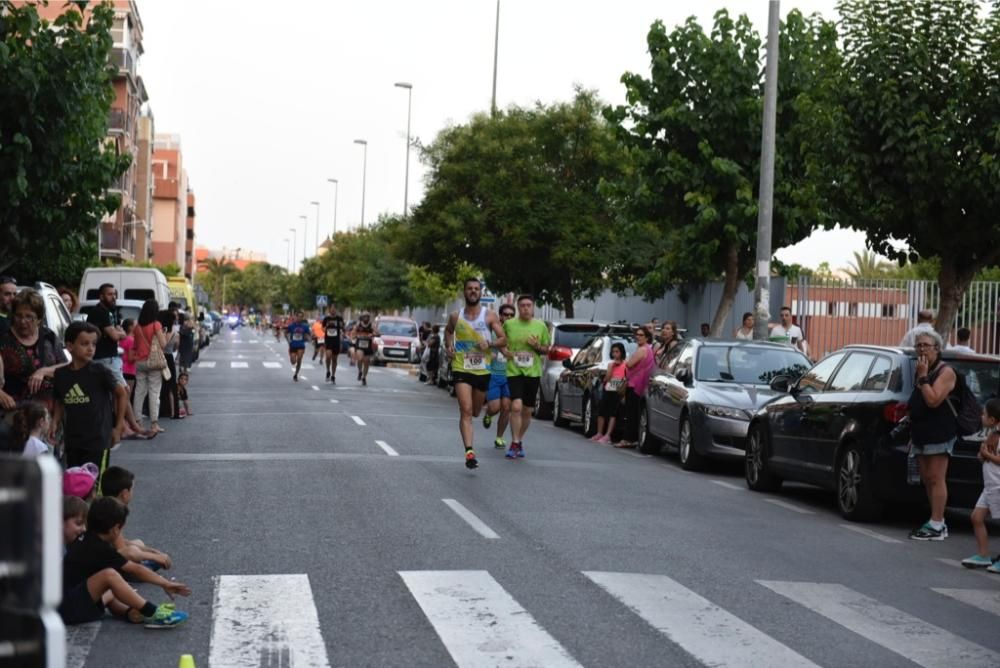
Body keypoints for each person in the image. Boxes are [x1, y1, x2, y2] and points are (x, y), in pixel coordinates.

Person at [61, 496, 190, 628]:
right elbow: (136, 569)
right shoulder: (99, 548)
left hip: (68, 603)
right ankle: (152, 613)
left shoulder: (87, 539)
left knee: (112, 588)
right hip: (68, 609)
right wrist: (165, 583)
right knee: (109, 576)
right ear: (116, 529)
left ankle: (130, 613)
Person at [445, 278, 507, 468]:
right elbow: (448, 332)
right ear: (464, 292)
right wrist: (449, 346)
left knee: (476, 411)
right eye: (469, 289)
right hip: (461, 366)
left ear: (480, 292)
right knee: (466, 409)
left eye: (476, 289)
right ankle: (469, 452)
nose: (473, 291)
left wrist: (490, 343)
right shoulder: (456, 316)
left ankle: (484, 415)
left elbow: (504, 339)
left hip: (482, 369)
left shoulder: (490, 316)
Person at [52, 322, 128, 473]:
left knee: (95, 487)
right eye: (84, 344)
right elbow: (60, 401)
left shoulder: (99, 371)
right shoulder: (61, 374)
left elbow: (122, 394)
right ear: (70, 346)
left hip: (98, 440)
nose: (90, 348)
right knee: (75, 484)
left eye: (93, 344)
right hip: (73, 440)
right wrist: (54, 423)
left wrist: (118, 427)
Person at [907, 329, 957, 540]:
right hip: (921, 431)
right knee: (927, 478)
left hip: (939, 431)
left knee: (937, 477)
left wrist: (923, 377)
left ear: (937, 348)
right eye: (918, 345)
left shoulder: (945, 372)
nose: (921, 349)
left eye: (926, 345)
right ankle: (934, 520)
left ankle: (938, 523)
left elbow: (933, 399)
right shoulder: (921, 367)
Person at [87, 285, 152, 440]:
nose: (113, 297)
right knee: (122, 392)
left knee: (121, 393)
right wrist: (118, 333)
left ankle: (129, 426)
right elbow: (116, 336)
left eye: (115, 294)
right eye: (109, 294)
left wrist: (118, 332)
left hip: (112, 357)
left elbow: (119, 332)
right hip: (104, 358)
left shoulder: (111, 312)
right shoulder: (99, 312)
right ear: (101, 296)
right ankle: (124, 427)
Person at [501, 294, 549, 459]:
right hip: (514, 370)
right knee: (516, 406)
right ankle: (514, 442)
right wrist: (504, 351)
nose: (526, 308)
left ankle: (519, 440)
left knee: (528, 410)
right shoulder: (509, 324)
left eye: (529, 305)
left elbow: (546, 349)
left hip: (532, 371)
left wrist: (537, 346)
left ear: (533, 307)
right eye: (522, 305)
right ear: (518, 307)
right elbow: (502, 342)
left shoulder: (540, 326)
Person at [101, 466, 173, 571]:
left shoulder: (104, 505)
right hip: (105, 562)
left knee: (138, 543)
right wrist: (154, 556)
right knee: (137, 553)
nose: (133, 493)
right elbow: (125, 551)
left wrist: (154, 552)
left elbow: (120, 541)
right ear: (124, 494)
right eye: (132, 490)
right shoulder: (114, 513)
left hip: (106, 553)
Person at [961, 399, 1000, 571]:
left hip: (998, 485)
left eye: (984, 414)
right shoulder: (992, 435)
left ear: (992, 419)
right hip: (990, 486)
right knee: (976, 517)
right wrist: (983, 455)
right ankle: (983, 555)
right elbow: (987, 456)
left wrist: (987, 455)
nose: (981, 416)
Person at [131, 300, 167, 434]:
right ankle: (154, 424)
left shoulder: (137, 326)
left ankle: (138, 423)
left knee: (139, 392)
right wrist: (164, 335)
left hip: (139, 362)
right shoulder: (156, 325)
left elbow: (134, 346)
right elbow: (163, 344)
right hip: (153, 362)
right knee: (154, 393)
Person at [482, 304, 515, 450]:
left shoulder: (515, 332)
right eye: (506, 315)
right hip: (494, 374)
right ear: (500, 316)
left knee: (507, 407)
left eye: (511, 315)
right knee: (495, 407)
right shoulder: (493, 331)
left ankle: (499, 437)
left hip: (509, 375)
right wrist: (490, 353)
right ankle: (488, 414)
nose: (508, 317)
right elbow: (483, 348)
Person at [616, 327, 655, 448]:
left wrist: (628, 360)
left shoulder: (642, 350)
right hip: (640, 385)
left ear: (647, 337)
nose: (638, 336)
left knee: (631, 413)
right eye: (637, 334)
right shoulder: (648, 349)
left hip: (634, 384)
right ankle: (633, 438)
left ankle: (628, 439)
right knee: (635, 413)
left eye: (641, 335)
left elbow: (629, 364)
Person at [591, 342, 627, 444]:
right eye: (613, 352)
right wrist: (611, 368)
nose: (615, 354)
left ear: (621, 353)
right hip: (608, 388)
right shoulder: (610, 364)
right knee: (602, 411)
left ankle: (608, 434)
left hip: (617, 390)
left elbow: (625, 378)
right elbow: (606, 379)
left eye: (617, 352)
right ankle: (599, 432)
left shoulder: (625, 365)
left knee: (613, 413)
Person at [158, 309, 180, 421]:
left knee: (161, 384)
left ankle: (161, 410)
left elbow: (162, 345)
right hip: (170, 357)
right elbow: (176, 347)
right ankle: (174, 411)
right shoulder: (175, 333)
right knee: (172, 384)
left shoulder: (162, 331)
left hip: (162, 357)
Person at [352, 313, 379, 386]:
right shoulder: (358, 325)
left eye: (367, 317)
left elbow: (377, 332)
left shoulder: (371, 325)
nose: (366, 318)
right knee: (360, 358)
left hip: (368, 346)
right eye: (365, 317)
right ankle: (360, 371)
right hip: (360, 345)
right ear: (362, 318)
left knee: (367, 362)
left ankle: (364, 377)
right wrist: (355, 336)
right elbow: (353, 333)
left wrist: (373, 334)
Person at [322, 306, 346, 383]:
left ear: (336, 310)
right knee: (328, 356)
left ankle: (333, 375)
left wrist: (342, 328)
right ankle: (328, 370)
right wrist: (325, 329)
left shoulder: (339, 318)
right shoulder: (326, 318)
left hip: (336, 340)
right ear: (330, 310)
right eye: (331, 309)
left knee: (334, 359)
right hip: (328, 339)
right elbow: (322, 327)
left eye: (334, 309)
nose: (333, 311)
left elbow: (343, 327)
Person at [285, 311, 310, 382]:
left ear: (302, 318)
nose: (299, 318)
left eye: (301, 317)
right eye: (298, 316)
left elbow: (309, 334)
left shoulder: (305, 326)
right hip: (293, 345)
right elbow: (286, 333)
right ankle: (293, 360)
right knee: (293, 361)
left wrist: (308, 338)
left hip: (301, 345)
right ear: (295, 317)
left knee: (299, 358)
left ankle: (296, 374)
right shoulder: (291, 326)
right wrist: (288, 340)